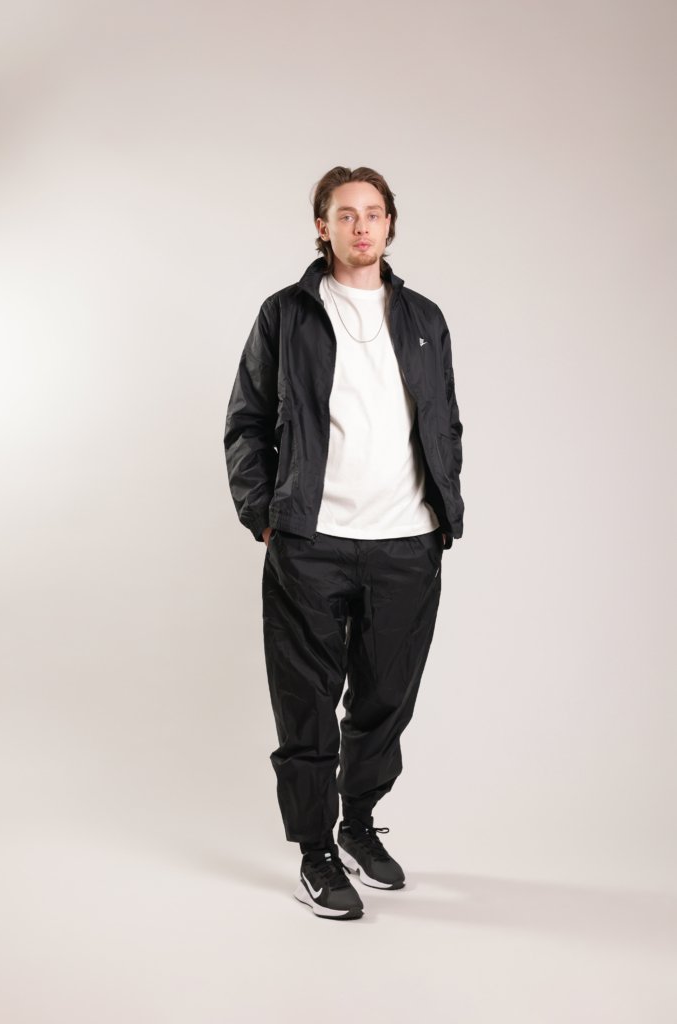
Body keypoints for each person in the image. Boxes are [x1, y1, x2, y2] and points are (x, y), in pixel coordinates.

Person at [224, 165, 464, 920]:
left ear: (390, 224)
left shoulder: (424, 317)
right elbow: (246, 422)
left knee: (385, 702)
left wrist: (443, 509)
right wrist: (265, 514)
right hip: (311, 542)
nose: (361, 226)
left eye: (374, 213)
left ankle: (356, 824)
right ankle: (314, 853)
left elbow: (445, 421)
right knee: (306, 706)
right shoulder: (286, 313)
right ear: (321, 227)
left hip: (407, 542)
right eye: (345, 213)